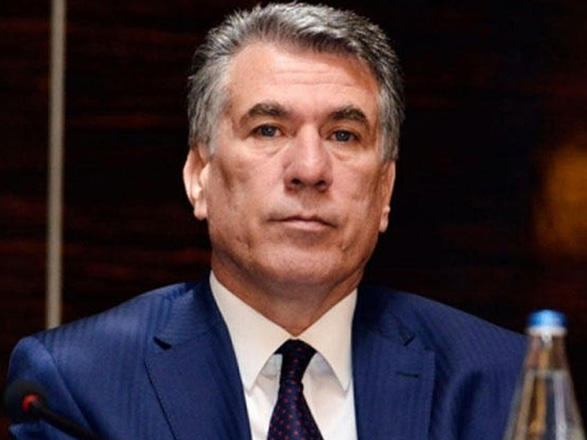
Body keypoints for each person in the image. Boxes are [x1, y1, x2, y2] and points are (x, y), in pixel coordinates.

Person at [7, 3, 525, 439]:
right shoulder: (78, 384)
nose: (310, 170)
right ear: (200, 176)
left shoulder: (500, 383)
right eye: (269, 129)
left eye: (343, 135)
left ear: (384, 190)